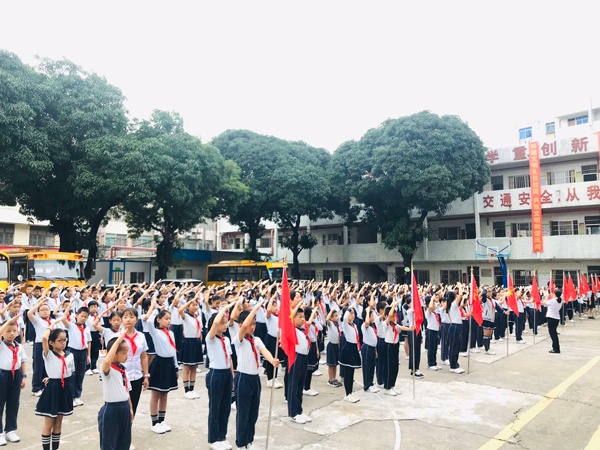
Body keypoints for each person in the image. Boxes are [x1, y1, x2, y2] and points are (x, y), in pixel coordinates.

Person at [232, 298, 279, 450]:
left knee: (253, 412)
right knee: (243, 413)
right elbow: (245, 325)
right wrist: (256, 308)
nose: (252, 327)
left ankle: (249, 441)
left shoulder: (256, 339)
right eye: (250, 324)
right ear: (240, 325)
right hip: (243, 378)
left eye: (254, 324)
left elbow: (264, 351)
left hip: (255, 379)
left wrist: (272, 360)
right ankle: (241, 443)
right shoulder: (239, 339)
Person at [35, 321, 74, 450]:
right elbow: (44, 338)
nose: (63, 343)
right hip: (53, 389)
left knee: (58, 422)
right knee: (49, 422)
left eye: (65, 340)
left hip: (65, 388)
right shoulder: (48, 354)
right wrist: (51, 326)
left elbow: (70, 372)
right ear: (51, 342)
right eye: (60, 340)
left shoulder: (70, 355)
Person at [143, 296, 179, 434]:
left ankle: (162, 420)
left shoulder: (171, 333)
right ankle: (154, 422)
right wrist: (154, 307)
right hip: (159, 364)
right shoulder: (156, 332)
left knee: (165, 393)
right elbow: (148, 322)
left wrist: (176, 366)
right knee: (156, 394)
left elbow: (173, 350)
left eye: (170, 318)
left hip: (169, 364)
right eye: (166, 318)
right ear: (159, 320)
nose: (169, 321)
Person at [205, 303, 236, 450]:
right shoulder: (210, 339)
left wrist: (232, 376)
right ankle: (213, 439)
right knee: (215, 408)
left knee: (225, 408)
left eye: (226, 323)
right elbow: (216, 322)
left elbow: (229, 358)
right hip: (215, 374)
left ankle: (222, 436)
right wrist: (225, 308)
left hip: (226, 374)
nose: (225, 326)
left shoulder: (226, 339)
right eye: (222, 323)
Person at [98, 334, 134, 450]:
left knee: (124, 441)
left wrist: (130, 408)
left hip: (124, 407)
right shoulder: (108, 370)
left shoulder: (123, 369)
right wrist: (118, 341)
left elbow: (126, 390)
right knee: (109, 442)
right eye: (124, 353)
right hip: (111, 409)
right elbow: (106, 361)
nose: (127, 355)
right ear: (114, 354)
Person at [0, 314, 27, 445]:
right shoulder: (1, 345)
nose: (11, 334)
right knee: (0, 403)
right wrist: (9, 321)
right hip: (2, 375)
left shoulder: (19, 346)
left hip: (16, 375)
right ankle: (0, 433)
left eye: (14, 331)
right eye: (8, 331)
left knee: (13, 402)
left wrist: (24, 376)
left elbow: (23, 361)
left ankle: (10, 430)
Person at [60, 305, 91, 407]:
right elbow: (63, 318)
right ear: (76, 315)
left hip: (83, 352)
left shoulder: (87, 328)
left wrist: (88, 355)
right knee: (72, 374)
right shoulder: (71, 326)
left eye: (85, 317)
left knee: (80, 374)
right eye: (81, 316)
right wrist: (69, 306)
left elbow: (89, 342)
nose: (83, 318)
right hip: (73, 352)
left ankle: (77, 396)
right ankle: (71, 396)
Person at [121, 308, 149, 418]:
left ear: (136, 320)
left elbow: (143, 356)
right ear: (122, 320)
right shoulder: (118, 336)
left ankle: (129, 427)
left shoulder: (141, 336)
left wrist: (146, 375)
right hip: (122, 376)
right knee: (123, 407)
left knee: (134, 406)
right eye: (125, 317)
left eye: (131, 317)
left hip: (136, 376)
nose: (128, 320)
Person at [288, 305, 310, 424]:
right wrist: (298, 304)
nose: (303, 319)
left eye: (303, 317)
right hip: (295, 357)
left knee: (300, 385)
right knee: (294, 385)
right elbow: (290, 316)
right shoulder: (292, 328)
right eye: (300, 317)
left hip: (304, 357)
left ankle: (299, 410)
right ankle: (293, 412)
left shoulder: (302, 329)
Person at [178, 296, 204, 399]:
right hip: (188, 342)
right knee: (187, 367)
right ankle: (186, 390)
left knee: (194, 367)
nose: (195, 306)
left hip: (196, 342)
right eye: (193, 305)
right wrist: (188, 301)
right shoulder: (186, 316)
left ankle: (192, 389)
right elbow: (180, 310)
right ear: (188, 306)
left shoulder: (197, 316)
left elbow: (199, 329)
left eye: (196, 304)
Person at [28, 297, 53, 397]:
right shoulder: (37, 321)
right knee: (38, 366)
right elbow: (29, 313)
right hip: (40, 344)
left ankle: (45, 385)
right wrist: (40, 303)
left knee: (49, 366)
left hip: (51, 344)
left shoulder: (53, 321)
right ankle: (36, 388)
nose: (45, 311)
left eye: (47, 309)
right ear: (38, 312)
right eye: (42, 310)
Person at [339, 307, 362, 403]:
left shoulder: (354, 325)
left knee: (351, 373)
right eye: (351, 313)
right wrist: (348, 309)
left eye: (353, 313)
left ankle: (350, 392)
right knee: (348, 373)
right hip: (348, 349)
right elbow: (344, 318)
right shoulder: (345, 325)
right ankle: (347, 394)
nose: (353, 315)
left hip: (354, 348)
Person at [446, 287, 466, 374]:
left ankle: (456, 364)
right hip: (454, 327)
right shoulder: (453, 304)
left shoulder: (453, 305)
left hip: (457, 326)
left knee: (456, 346)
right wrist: (460, 286)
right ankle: (453, 366)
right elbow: (461, 295)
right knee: (453, 346)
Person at [361, 305, 379, 392]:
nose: (373, 317)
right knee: (367, 367)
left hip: (372, 348)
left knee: (372, 367)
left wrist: (375, 350)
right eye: (371, 315)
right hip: (367, 347)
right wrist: (368, 311)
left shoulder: (373, 326)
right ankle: (367, 385)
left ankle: (371, 383)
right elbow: (367, 322)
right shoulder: (365, 325)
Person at [424, 294, 442, 370]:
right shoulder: (428, 312)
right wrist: (432, 299)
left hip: (435, 331)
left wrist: (435, 299)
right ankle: (430, 364)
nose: (435, 305)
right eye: (433, 304)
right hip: (431, 331)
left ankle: (434, 363)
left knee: (434, 348)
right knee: (431, 348)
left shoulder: (434, 313)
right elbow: (430, 307)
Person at [325, 308, 342, 387]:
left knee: (335, 364)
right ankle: (330, 379)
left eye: (337, 316)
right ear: (331, 318)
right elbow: (327, 319)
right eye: (335, 316)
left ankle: (334, 378)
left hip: (336, 346)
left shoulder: (337, 325)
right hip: (331, 345)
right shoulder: (331, 324)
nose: (337, 317)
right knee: (331, 364)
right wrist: (331, 311)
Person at [543, 289, 562, 354]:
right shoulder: (560, 300)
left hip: (551, 318)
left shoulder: (552, 301)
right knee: (554, 333)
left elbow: (544, 303)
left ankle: (556, 348)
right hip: (556, 318)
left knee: (552, 334)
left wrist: (547, 296)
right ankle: (555, 347)